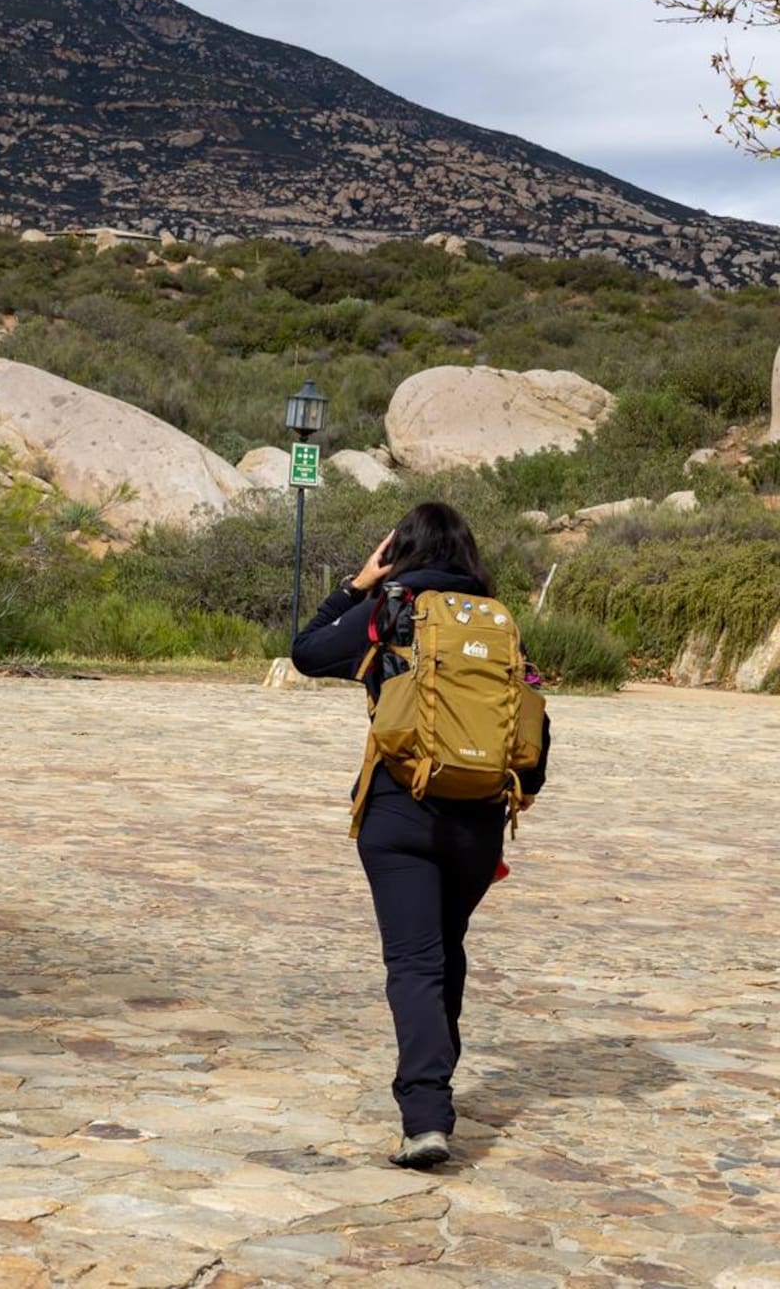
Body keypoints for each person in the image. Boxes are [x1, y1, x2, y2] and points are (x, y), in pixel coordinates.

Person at [292, 500, 550, 1170]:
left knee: (414, 962)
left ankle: (426, 1114)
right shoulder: (500, 624)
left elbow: (307, 651)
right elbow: (535, 747)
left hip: (398, 813)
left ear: (398, 551)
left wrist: (357, 583)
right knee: (443, 950)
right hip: (479, 823)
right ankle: (435, 1085)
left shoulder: (392, 609)